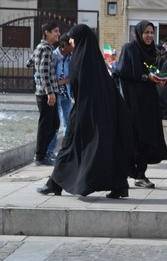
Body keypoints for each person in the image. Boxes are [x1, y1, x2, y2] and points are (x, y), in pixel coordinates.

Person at [36, 24, 132, 199]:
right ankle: (119, 186)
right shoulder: (92, 60)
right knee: (104, 150)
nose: (70, 41)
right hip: (98, 114)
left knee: (69, 147)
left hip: (84, 113)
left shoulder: (81, 60)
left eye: (73, 38)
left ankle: (55, 184)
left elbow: (85, 91)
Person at [116, 20, 167, 187]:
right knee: (132, 136)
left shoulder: (153, 51)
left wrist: (159, 79)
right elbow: (123, 72)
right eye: (146, 32)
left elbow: (152, 72)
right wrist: (147, 77)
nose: (149, 36)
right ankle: (124, 172)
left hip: (148, 100)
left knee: (147, 136)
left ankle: (141, 174)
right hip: (132, 101)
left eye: (151, 32)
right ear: (139, 34)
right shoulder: (129, 49)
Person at [32, 20, 61, 166]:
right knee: (47, 125)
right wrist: (50, 92)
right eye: (55, 31)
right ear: (47, 33)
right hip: (46, 93)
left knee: (53, 123)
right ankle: (40, 156)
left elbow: (29, 62)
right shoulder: (47, 49)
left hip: (42, 91)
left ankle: (42, 154)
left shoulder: (39, 47)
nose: (58, 34)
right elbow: (44, 72)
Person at [45, 33, 74, 158]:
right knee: (54, 124)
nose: (74, 46)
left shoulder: (71, 58)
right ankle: (49, 151)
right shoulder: (53, 56)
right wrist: (56, 84)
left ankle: (66, 150)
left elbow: (73, 75)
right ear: (65, 45)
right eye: (72, 43)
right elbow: (43, 74)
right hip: (55, 94)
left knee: (68, 122)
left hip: (66, 94)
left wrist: (66, 81)